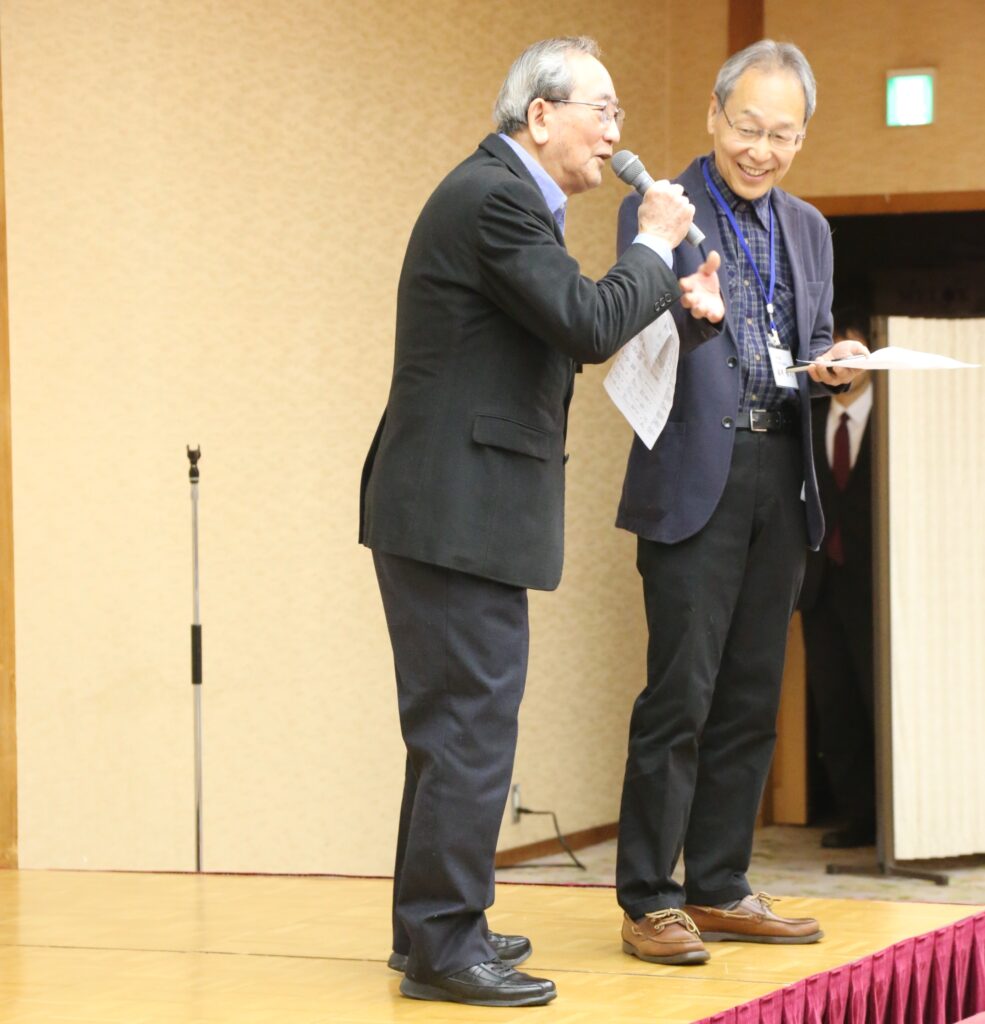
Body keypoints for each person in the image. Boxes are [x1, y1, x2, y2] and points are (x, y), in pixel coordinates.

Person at [359, 36, 724, 1007]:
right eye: (601, 110)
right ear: (539, 116)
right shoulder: (495, 199)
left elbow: (578, 320)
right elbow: (587, 322)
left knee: (454, 730)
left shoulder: (507, 201)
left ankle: (431, 928)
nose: (613, 132)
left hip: (452, 508)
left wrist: (674, 301)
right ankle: (444, 945)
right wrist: (654, 241)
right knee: (469, 730)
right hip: (454, 510)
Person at [613, 39, 869, 966]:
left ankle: (718, 886)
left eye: (783, 134)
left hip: (780, 471)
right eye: (748, 127)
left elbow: (807, 345)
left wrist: (836, 369)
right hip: (694, 474)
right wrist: (690, 314)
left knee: (752, 696)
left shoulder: (809, 228)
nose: (762, 149)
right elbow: (633, 329)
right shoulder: (662, 205)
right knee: (679, 694)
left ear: (802, 137)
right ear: (714, 116)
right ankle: (649, 900)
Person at [800, 317, 875, 849]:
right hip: (823, 585)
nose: (842, 364)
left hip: (881, 587)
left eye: (853, 353)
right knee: (835, 704)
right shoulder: (809, 417)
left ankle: (902, 822)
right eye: (833, 355)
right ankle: (859, 817)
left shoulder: (896, 419)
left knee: (880, 698)